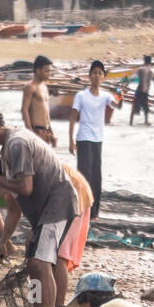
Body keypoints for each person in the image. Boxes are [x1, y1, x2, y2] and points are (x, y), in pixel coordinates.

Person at [0, 104, 78, 307]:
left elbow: (24, 188)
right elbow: (8, 195)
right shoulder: (8, 146)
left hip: (57, 205)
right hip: (43, 212)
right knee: (34, 266)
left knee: (40, 264)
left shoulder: (17, 143)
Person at [68, 60, 108, 219]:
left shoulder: (106, 96)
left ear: (103, 77)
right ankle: (82, 208)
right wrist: (71, 140)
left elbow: (116, 105)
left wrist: (120, 97)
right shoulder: (81, 95)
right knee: (85, 176)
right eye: (94, 73)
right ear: (90, 76)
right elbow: (72, 117)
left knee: (97, 177)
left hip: (98, 140)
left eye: (100, 73)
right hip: (84, 139)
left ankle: (94, 212)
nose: (97, 76)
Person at [21, 55, 55, 146]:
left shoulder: (44, 87)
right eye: (46, 71)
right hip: (36, 130)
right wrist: (30, 132)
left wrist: (51, 132)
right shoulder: (30, 87)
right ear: (38, 71)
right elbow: (24, 110)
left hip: (46, 131)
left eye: (50, 71)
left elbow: (46, 113)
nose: (49, 74)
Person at [131, 56, 154, 126]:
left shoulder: (140, 69)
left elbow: (133, 78)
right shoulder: (151, 72)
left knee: (134, 106)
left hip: (139, 91)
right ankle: (146, 121)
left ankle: (131, 123)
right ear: (150, 63)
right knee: (145, 108)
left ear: (144, 61)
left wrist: (126, 83)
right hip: (145, 92)